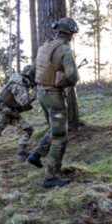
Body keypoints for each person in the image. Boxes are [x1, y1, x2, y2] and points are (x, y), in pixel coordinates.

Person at [26, 17, 80, 188]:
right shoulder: (64, 50)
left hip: (42, 94)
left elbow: (33, 70)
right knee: (59, 136)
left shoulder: (45, 46)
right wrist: (63, 79)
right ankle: (50, 177)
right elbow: (72, 77)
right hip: (54, 95)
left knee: (54, 129)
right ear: (70, 32)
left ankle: (37, 155)